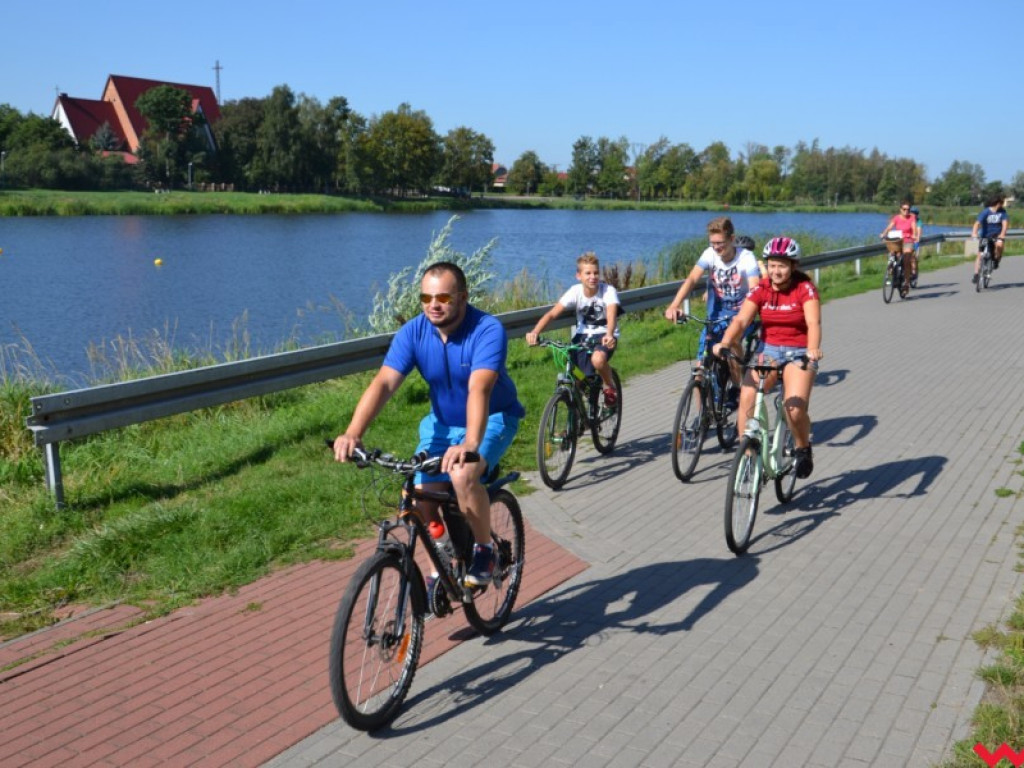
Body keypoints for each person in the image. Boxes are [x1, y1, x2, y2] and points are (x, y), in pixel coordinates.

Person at [333, 261, 525, 587]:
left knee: (464, 473)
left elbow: (480, 388)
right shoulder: (414, 331)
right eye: (426, 298)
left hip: (492, 419)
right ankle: (446, 554)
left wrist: (470, 446)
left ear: (463, 297)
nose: (433, 305)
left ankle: (484, 549)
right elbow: (384, 383)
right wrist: (354, 432)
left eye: (444, 298)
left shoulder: (487, 330)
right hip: (442, 424)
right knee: (419, 496)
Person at [712, 237, 822, 479]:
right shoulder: (761, 289)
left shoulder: (805, 289)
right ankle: (747, 456)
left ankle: (803, 448)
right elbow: (741, 320)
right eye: (772, 265)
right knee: (748, 394)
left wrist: (813, 349)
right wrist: (725, 343)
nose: (776, 271)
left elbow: (813, 323)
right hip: (769, 350)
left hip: (800, 352)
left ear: (793, 266)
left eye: (782, 265)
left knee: (793, 408)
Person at [664, 218, 761, 408]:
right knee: (700, 369)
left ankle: (737, 386)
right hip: (716, 314)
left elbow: (754, 288)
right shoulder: (709, 254)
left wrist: (750, 312)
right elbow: (692, 278)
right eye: (713, 243)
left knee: (732, 344)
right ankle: (702, 417)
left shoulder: (746, 258)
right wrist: (675, 304)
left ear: (731, 239)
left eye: (721, 244)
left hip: (740, 313)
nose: (716, 248)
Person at [526, 251, 621, 407]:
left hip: (604, 335)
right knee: (576, 377)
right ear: (579, 276)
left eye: (596, 273)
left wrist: (610, 334)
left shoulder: (607, 291)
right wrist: (535, 332)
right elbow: (551, 314)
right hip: (582, 336)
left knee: (597, 360)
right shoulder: (575, 292)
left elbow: (611, 314)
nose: (593, 277)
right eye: (588, 273)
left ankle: (609, 386)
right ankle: (577, 421)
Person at [879, 200, 918, 296]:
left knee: (907, 258)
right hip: (898, 240)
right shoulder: (896, 218)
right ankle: (892, 273)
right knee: (894, 254)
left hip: (908, 240)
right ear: (900, 209)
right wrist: (883, 234)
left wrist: (914, 235)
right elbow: (889, 227)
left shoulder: (912, 218)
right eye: (904, 209)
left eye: (908, 209)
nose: (906, 211)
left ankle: (907, 283)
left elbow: (914, 228)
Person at [971, 195, 1009, 282]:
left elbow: (1005, 224)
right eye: (1001, 203)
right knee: (980, 255)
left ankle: (996, 260)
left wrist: (1002, 234)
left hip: (997, 235)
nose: (1002, 205)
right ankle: (976, 274)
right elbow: (977, 223)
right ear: (998, 203)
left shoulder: (1002, 212)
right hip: (985, 235)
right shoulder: (985, 212)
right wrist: (974, 233)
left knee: (999, 245)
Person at [909, 206, 922, 285]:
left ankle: (914, 274)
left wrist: (917, 238)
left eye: (915, 213)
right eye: (912, 213)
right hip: (907, 241)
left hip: (915, 242)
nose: (913, 215)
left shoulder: (918, 222)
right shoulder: (908, 220)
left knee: (914, 259)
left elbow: (919, 230)